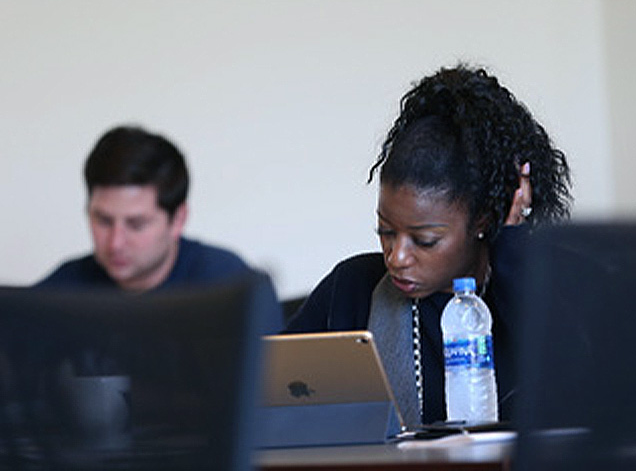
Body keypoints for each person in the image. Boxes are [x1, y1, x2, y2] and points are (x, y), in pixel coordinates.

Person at [286, 64, 572, 428]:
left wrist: (512, 243)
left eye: (424, 240)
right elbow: (263, 389)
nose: (397, 257)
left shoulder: (542, 287)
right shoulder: (353, 289)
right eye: (386, 231)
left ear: (483, 221)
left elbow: (579, 391)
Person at [36, 125, 250, 292]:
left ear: (178, 220)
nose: (116, 243)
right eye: (103, 221)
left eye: (136, 225)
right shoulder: (60, 293)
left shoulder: (230, 285)